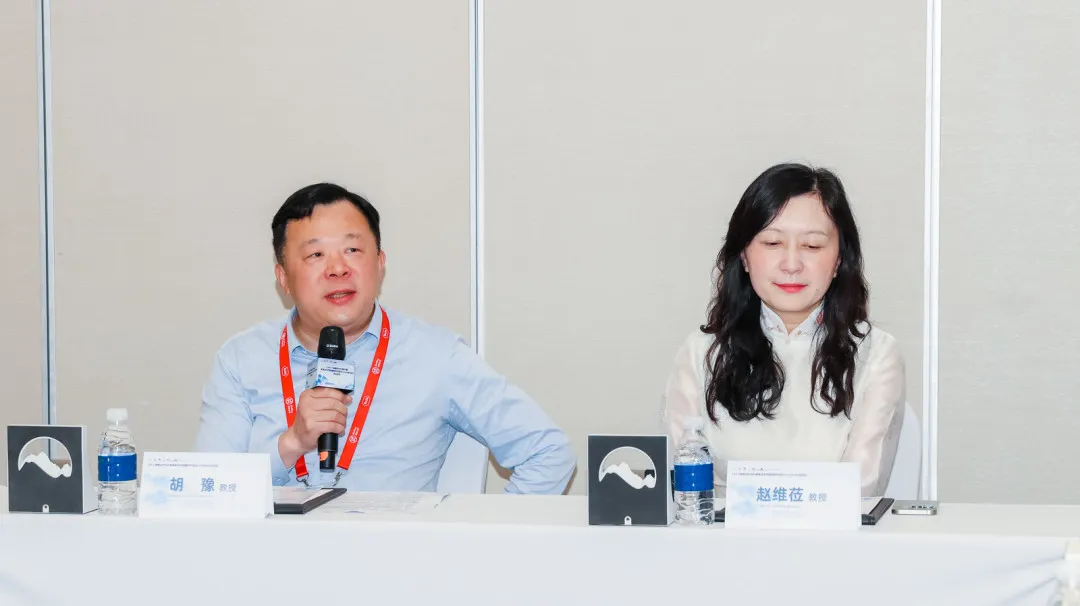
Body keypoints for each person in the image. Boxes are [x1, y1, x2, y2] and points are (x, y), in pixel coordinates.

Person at [195, 183, 576, 494]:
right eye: (315, 255)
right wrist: (291, 443)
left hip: (396, 561)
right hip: (270, 559)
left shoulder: (435, 356)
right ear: (283, 278)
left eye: (352, 250)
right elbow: (206, 490)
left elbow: (548, 453)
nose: (338, 269)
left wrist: (481, 549)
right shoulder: (241, 359)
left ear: (379, 264)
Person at [661, 163, 905, 498]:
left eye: (812, 246)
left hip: (830, 533)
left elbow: (861, 487)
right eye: (773, 242)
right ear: (744, 256)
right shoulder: (700, 353)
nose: (791, 264)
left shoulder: (876, 354)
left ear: (838, 260)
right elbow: (684, 483)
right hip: (723, 533)